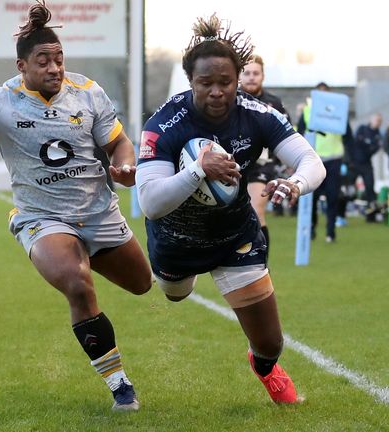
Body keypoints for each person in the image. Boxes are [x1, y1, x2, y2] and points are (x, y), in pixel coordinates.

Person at [0, 1, 151, 412]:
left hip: (98, 213)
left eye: (59, 59)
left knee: (142, 284)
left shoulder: (88, 91)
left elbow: (118, 141)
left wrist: (123, 163)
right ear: (22, 66)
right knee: (78, 285)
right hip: (42, 218)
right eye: (43, 61)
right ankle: (120, 386)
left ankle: (82, 252)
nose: (54, 68)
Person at [136, 14, 325, 404]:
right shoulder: (164, 124)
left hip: (234, 235)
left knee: (271, 342)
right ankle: (177, 278)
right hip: (176, 239)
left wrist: (294, 183)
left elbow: (312, 163)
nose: (217, 92)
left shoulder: (258, 114)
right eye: (206, 83)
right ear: (191, 82)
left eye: (226, 82)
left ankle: (265, 368)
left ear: (239, 79)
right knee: (175, 294)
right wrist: (197, 170)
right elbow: (150, 204)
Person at [239, 54, 292, 259]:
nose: (251, 77)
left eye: (256, 73)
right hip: (233, 165)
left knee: (255, 210)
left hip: (261, 165)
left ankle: (261, 264)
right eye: (247, 73)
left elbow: (287, 135)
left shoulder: (273, 103)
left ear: (262, 76)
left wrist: (289, 164)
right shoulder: (230, 99)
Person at [296, 82, 353, 243]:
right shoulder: (308, 112)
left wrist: (351, 160)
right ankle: (312, 227)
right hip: (313, 159)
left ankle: (330, 231)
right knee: (311, 197)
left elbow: (348, 136)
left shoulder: (338, 111)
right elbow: (297, 135)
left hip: (334, 158)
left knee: (333, 196)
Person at [345, 113, 382, 221]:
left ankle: (371, 214)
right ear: (371, 120)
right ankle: (343, 212)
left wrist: (366, 145)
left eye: (379, 121)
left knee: (370, 188)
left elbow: (372, 149)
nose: (378, 123)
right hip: (354, 163)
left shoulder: (378, 135)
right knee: (348, 188)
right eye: (376, 120)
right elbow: (356, 143)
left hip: (366, 164)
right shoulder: (362, 129)